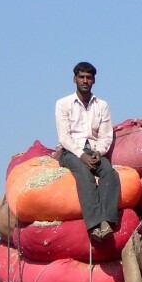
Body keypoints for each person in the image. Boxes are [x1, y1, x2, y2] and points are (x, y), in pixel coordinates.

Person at [55, 61, 119, 241]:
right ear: (74, 79)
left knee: (109, 173)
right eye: (81, 77)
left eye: (88, 78)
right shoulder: (63, 104)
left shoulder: (102, 105)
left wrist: (99, 152)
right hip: (71, 152)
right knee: (84, 175)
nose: (85, 81)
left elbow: (106, 135)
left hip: (94, 151)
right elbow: (64, 137)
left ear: (94, 81)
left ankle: (107, 221)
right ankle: (94, 225)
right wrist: (82, 155)